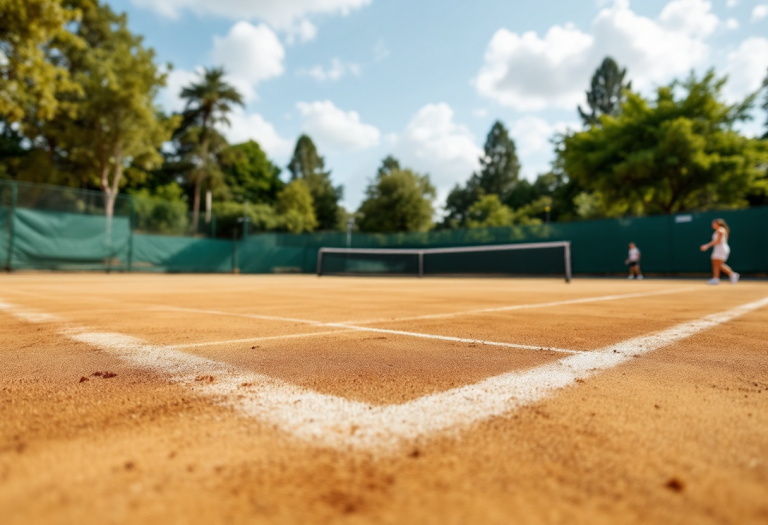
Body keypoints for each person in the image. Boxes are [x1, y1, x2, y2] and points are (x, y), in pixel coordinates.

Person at [700, 218, 739, 285]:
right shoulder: (719, 230)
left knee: (718, 264)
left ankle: (722, 277)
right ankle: (719, 278)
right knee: (717, 264)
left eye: (714, 223)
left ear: (717, 223)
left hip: (721, 248)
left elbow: (718, 241)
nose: (712, 224)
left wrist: (707, 246)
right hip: (719, 248)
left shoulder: (720, 230)